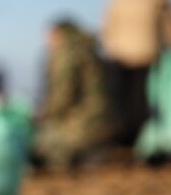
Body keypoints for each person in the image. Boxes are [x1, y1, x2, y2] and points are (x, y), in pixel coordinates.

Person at [101, 0, 171, 146]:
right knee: (139, 104)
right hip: (143, 56)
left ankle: (129, 142)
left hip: (122, 56)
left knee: (126, 103)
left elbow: (107, 27)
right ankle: (136, 142)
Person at [32, 18, 117, 171]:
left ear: (58, 34)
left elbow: (62, 97)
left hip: (83, 125)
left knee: (36, 143)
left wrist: (42, 117)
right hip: (104, 124)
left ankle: (76, 155)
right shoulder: (88, 49)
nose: (46, 41)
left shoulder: (67, 53)